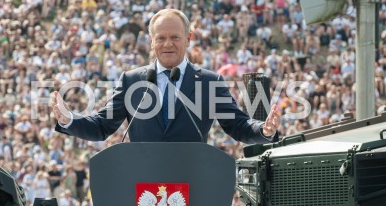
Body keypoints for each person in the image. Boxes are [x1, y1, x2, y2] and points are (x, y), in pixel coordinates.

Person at [50, 9, 280, 144]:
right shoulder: (132, 81)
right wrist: (68, 118)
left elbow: (237, 125)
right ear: (151, 41)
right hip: (143, 183)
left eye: (175, 37)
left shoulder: (210, 82)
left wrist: (263, 130)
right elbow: (101, 126)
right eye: (160, 38)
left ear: (188, 39)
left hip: (192, 181)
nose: (167, 44)